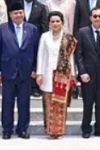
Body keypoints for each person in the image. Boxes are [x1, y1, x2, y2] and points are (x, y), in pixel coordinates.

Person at [0, 2, 40, 139]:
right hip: (8, 70)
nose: (18, 15)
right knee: (7, 102)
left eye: (20, 12)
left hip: (25, 71)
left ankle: (23, 129)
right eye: (15, 13)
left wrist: (35, 68)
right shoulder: (3, 29)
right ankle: (7, 129)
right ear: (10, 15)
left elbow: (36, 50)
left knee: (24, 102)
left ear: (24, 13)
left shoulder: (32, 29)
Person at [36, 11, 77, 139]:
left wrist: (73, 75)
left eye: (57, 21)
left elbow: (71, 58)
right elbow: (41, 55)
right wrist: (39, 73)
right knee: (49, 103)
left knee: (60, 105)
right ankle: (50, 130)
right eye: (52, 21)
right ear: (49, 23)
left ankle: (59, 131)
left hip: (63, 75)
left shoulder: (68, 38)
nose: (55, 23)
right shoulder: (44, 37)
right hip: (48, 73)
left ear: (62, 23)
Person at [74, 6, 100, 138]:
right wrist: (82, 72)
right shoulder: (82, 32)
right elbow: (78, 54)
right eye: (95, 16)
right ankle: (86, 128)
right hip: (88, 74)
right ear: (90, 18)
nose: (97, 18)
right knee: (88, 103)